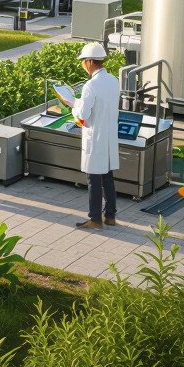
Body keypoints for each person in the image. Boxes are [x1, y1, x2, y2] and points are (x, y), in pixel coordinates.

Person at [73, 42, 121, 230]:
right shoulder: (113, 80)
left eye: (84, 61)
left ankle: (95, 219)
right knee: (108, 177)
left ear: (90, 62)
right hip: (109, 137)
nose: (83, 65)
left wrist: (73, 106)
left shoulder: (90, 85)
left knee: (93, 180)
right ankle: (110, 215)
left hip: (95, 138)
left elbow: (83, 115)